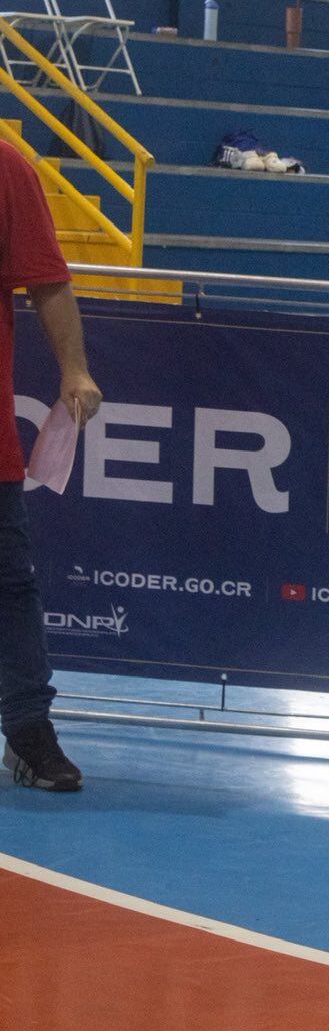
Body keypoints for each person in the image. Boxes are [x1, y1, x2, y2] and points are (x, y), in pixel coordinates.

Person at [0, 141, 99, 791]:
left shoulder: (7, 168)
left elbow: (48, 279)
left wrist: (75, 367)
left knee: (9, 585)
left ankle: (29, 732)